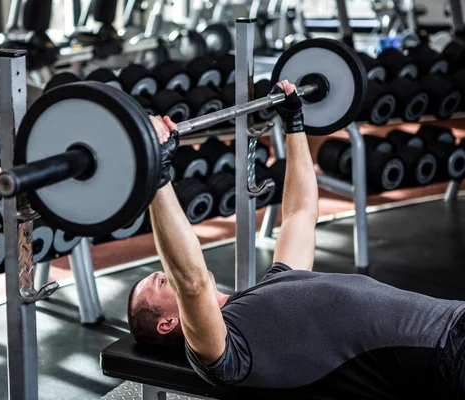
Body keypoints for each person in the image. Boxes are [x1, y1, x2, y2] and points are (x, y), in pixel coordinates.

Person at [127, 80, 465, 399]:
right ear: (168, 322)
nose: (166, 272)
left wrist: (294, 123)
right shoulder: (226, 352)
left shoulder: (274, 283)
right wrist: (158, 171)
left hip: (454, 319)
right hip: (444, 359)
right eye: (160, 280)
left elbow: (300, 214)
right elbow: (191, 281)